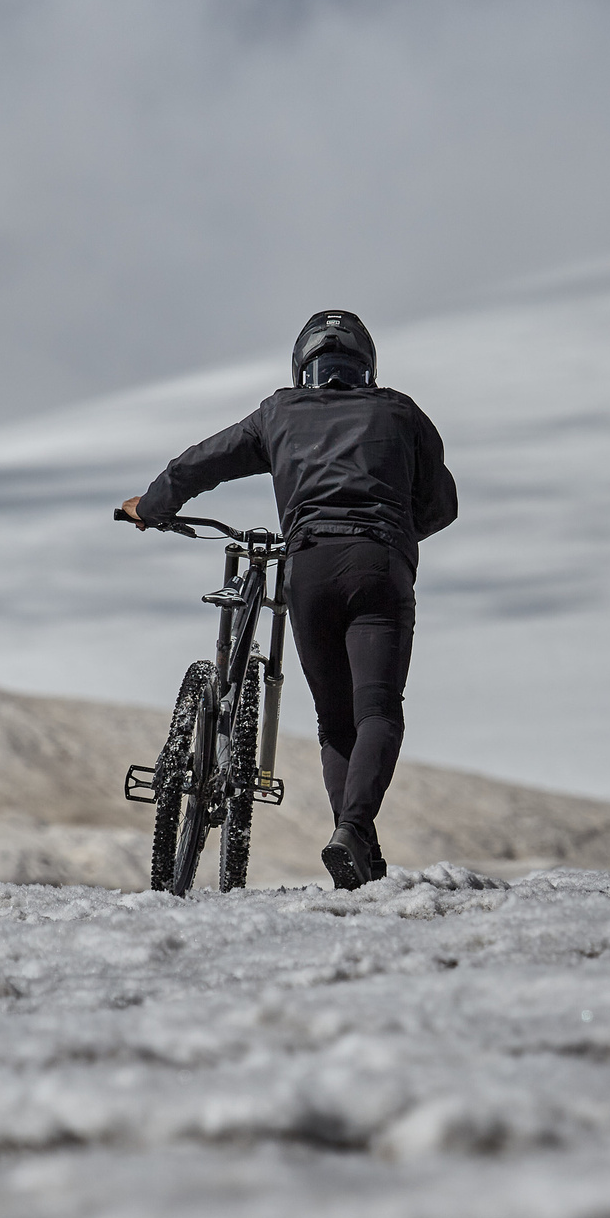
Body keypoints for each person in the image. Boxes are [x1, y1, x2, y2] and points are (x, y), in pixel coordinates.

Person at [123, 309, 457, 890]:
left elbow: (199, 462)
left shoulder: (278, 412)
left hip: (309, 567)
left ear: (303, 366)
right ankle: (352, 832)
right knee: (376, 710)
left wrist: (151, 507)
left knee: (335, 723)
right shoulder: (400, 412)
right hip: (378, 566)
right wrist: (393, 534)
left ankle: (359, 848)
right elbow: (442, 505)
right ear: (367, 365)